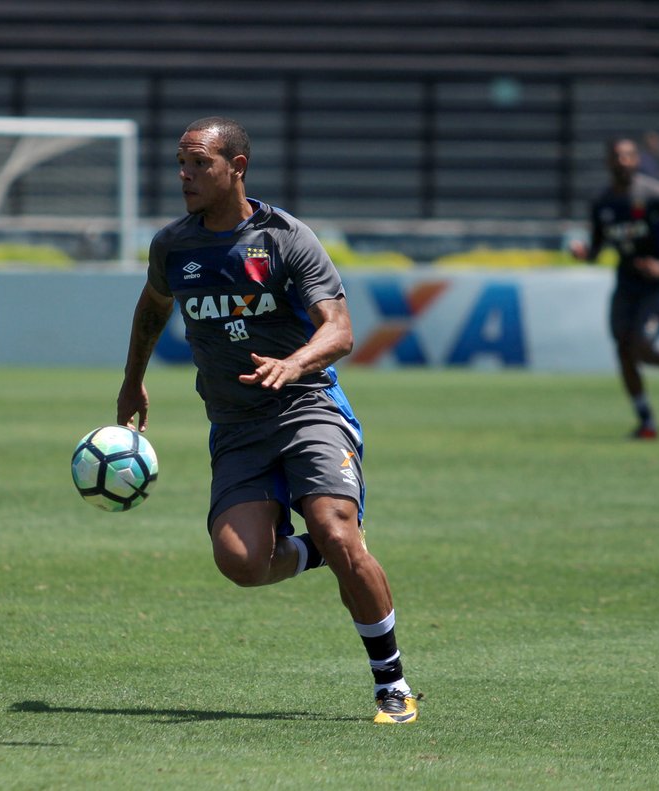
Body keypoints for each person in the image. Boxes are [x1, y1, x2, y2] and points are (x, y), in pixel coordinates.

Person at [116, 117, 419, 724]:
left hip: (308, 406)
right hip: (236, 425)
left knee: (336, 529)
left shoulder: (285, 239)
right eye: (182, 162)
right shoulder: (173, 245)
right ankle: (329, 551)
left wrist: (293, 363)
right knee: (241, 562)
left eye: (200, 162)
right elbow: (153, 305)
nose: (186, 174)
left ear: (237, 167)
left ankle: (393, 683)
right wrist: (132, 379)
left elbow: (340, 331)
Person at [570, 137, 659, 439]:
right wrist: (583, 253)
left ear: (637, 161)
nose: (623, 162)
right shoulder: (602, 202)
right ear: (608, 161)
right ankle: (646, 421)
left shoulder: (654, 194)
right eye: (617, 156)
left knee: (642, 346)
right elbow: (597, 249)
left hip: (657, 283)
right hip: (627, 281)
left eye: (629, 156)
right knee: (622, 347)